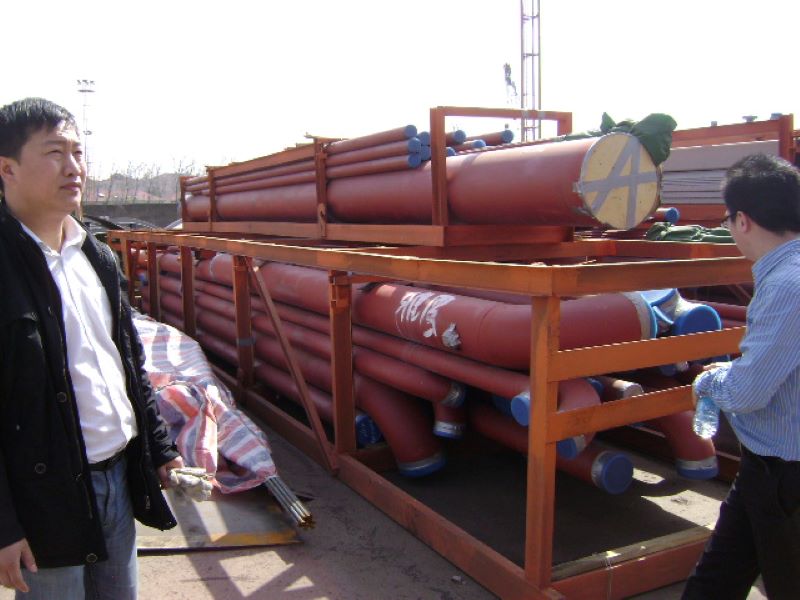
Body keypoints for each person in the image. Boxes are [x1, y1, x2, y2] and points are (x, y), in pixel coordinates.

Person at [0, 97, 184, 599]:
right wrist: (4, 527)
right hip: (44, 498)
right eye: (55, 152)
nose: (74, 167)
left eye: (78, 152)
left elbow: (128, 364)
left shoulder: (97, 258)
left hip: (118, 479)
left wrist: (159, 448)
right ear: (7, 168)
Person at [683, 153, 800, 599]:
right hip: (765, 466)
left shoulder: (787, 285)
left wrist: (709, 382)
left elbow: (749, 391)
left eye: (728, 219)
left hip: (784, 474)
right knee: (716, 579)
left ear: (743, 220)